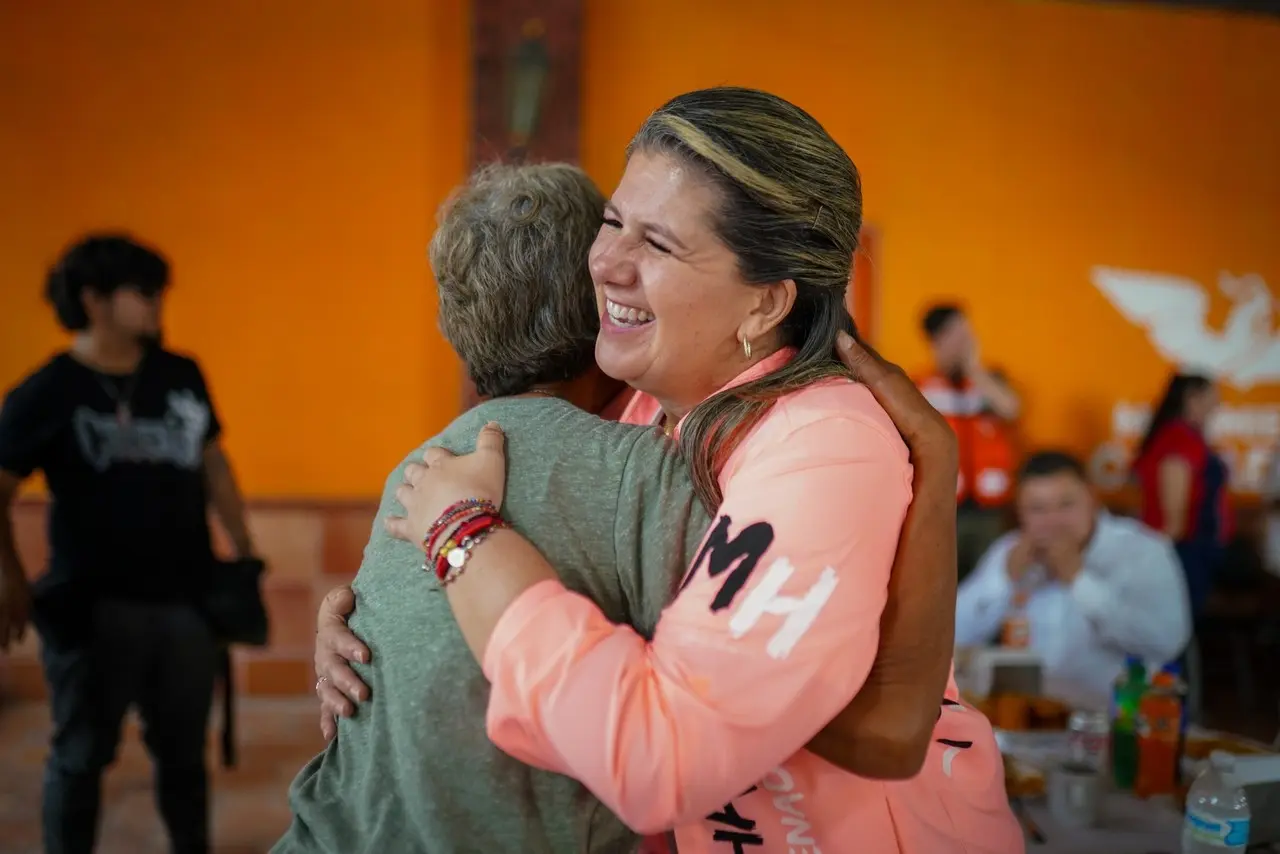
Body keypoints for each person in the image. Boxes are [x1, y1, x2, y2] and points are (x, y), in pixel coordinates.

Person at [321, 87, 1019, 853]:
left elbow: (663, 758)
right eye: (614, 222)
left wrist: (462, 541)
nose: (608, 264)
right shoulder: (647, 411)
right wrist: (381, 623)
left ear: (764, 304)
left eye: (659, 244)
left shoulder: (825, 446)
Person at [0, 234, 255, 854]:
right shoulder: (48, 391)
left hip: (185, 602)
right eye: (143, 291)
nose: (158, 303)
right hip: (92, 609)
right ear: (94, 300)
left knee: (184, 758)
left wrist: (244, 553)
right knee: (81, 756)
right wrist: (8, 577)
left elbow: (213, 465)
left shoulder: (180, 374)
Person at [955, 451, 1192, 710]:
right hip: (1028, 719)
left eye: (1066, 505)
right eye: (1037, 509)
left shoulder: (1144, 551)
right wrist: (1003, 579)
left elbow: (1166, 641)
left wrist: (1078, 579)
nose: (1053, 522)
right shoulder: (1009, 551)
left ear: (1092, 497)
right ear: (1020, 513)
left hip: (1120, 719)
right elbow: (952, 635)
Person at [917, 303, 1019, 581]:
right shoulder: (920, 386)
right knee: (941, 582)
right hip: (943, 508)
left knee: (991, 582)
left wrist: (974, 369)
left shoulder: (988, 381)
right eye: (957, 334)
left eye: (967, 333)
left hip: (988, 511)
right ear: (937, 339)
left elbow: (1010, 408)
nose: (966, 340)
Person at [1131, 373, 1228, 617]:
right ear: (1192, 399)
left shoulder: (1187, 438)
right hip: (1181, 554)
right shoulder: (1178, 440)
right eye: (1212, 398)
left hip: (1187, 550)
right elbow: (1174, 520)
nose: (1217, 405)